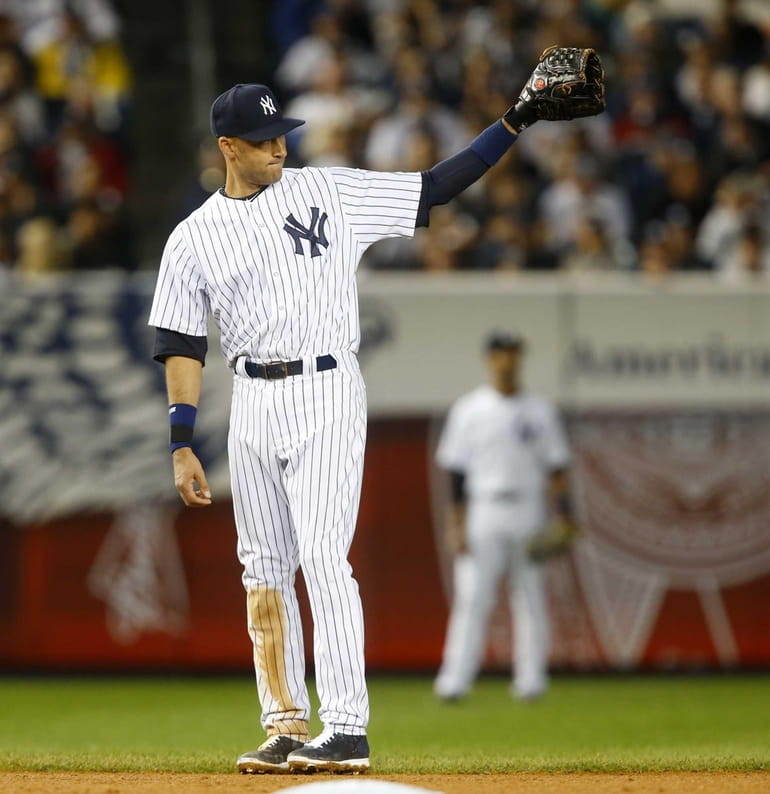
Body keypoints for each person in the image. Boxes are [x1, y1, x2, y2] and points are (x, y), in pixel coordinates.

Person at [147, 50, 603, 775]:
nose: (280, 147)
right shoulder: (192, 238)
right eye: (264, 140)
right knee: (261, 567)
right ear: (227, 147)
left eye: (282, 133)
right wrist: (180, 440)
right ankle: (286, 722)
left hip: (325, 388)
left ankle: (349, 725)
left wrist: (515, 120)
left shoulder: (327, 192)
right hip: (251, 400)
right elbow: (179, 343)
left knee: (325, 556)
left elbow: (435, 188)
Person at [433, 332, 575, 702]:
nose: (506, 362)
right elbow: (457, 476)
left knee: (529, 598)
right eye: (500, 355)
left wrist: (566, 515)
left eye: (512, 354)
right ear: (489, 359)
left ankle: (531, 682)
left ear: (519, 359)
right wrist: (456, 524)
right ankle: (454, 682)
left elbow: (558, 468)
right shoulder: (469, 409)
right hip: (484, 508)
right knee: (472, 598)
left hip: (529, 508)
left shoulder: (539, 410)